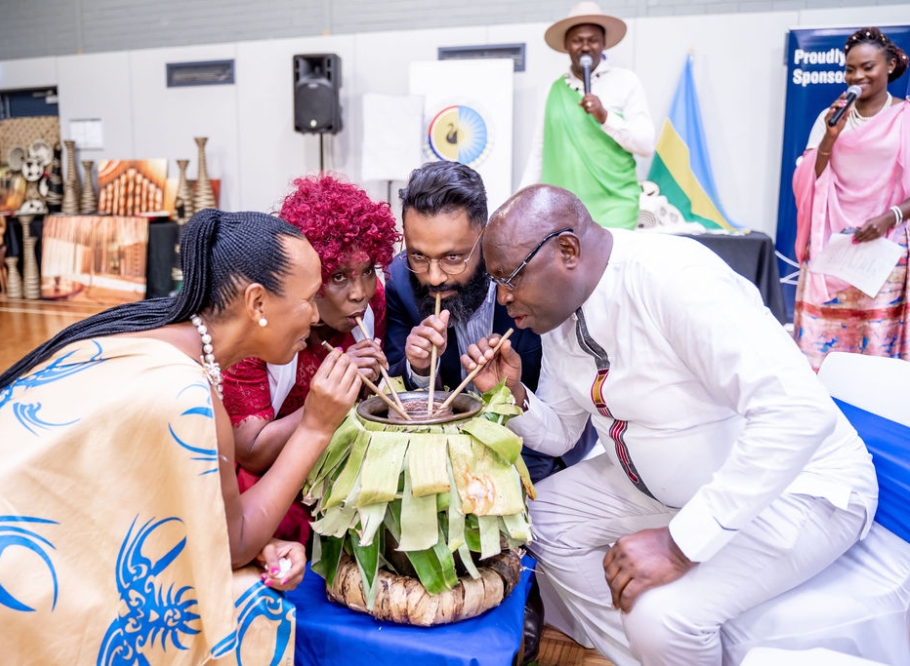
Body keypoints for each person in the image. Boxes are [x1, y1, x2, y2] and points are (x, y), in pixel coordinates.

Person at [0, 209, 362, 664]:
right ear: (257, 303)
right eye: (309, 297)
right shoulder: (183, 392)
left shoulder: (155, 334)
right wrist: (316, 426)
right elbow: (234, 542)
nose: (315, 313)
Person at [463, 185, 877, 666]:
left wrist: (680, 545)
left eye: (510, 277)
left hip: (802, 487)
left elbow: (800, 412)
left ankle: (662, 640)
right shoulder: (558, 313)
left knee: (661, 616)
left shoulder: (674, 279)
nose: (504, 296)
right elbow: (561, 433)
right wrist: (514, 396)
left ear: (568, 250)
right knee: (542, 516)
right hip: (672, 483)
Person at [384, 161, 592, 484]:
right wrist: (421, 370)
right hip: (445, 451)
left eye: (453, 257)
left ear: (483, 238)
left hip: (538, 451)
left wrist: (511, 392)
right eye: (419, 256)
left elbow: (561, 420)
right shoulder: (399, 280)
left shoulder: (534, 278)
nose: (434, 276)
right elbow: (397, 390)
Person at [222, 174, 400, 545]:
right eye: (337, 277)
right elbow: (251, 454)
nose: (359, 293)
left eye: (368, 271)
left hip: (345, 481)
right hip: (271, 498)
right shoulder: (257, 331)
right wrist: (321, 406)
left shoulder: (372, 304)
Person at [793, 27, 909, 372]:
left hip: (884, 249)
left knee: (875, 340)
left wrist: (891, 217)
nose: (857, 76)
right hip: (833, 242)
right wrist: (830, 136)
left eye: (867, 67)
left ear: (889, 66)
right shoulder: (831, 117)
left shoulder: (905, 118)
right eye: (850, 69)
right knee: (823, 343)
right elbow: (808, 181)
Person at [519, 1, 654, 230]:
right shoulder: (553, 91)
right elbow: (538, 152)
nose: (585, 47)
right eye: (577, 40)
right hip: (563, 208)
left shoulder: (625, 81)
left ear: (603, 44)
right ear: (566, 45)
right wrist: (519, 203)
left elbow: (646, 144)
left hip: (615, 205)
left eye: (592, 40)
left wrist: (605, 117)